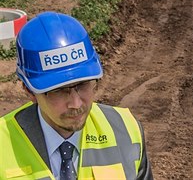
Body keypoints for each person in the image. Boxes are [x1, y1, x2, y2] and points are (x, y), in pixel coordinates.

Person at [0, 11, 152, 179]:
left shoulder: (126, 131)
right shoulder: (3, 143)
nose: (76, 103)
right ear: (29, 91)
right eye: (58, 90)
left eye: (82, 85)